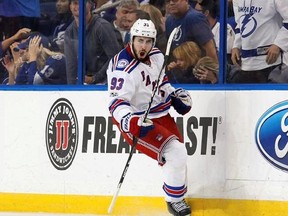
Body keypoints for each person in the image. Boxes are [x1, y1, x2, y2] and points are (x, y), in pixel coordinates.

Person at [107, 19, 192, 216]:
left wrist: (173, 96)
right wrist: (130, 121)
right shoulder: (123, 68)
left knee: (176, 157)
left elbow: (161, 84)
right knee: (176, 153)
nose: (143, 46)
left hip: (161, 115)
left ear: (153, 42)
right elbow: (116, 104)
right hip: (138, 120)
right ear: (131, 39)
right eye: (139, 41)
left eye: (147, 41)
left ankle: (177, 196)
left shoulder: (157, 56)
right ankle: (175, 201)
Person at [64, 0, 121, 84]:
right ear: (70, 7)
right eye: (75, 3)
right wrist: (72, 89)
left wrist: (95, 78)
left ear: (90, 5)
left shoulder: (101, 27)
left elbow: (115, 58)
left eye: (83, 3)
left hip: (108, 79)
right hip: (86, 81)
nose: (79, 6)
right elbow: (71, 65)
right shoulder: (69, 32)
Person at [230, 0, 288, 83]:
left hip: (270, 62)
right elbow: (240, 23)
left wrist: (278, 45)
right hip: (246, 63)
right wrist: (236, 45)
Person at [2, 32, 66, 85]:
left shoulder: (56, 60)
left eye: (27, 49)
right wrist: (12, 73)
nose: (21, 51)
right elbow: (19, 85)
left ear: (39, 48)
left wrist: (33, 58)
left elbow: (34, 83)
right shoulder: (29, 64)